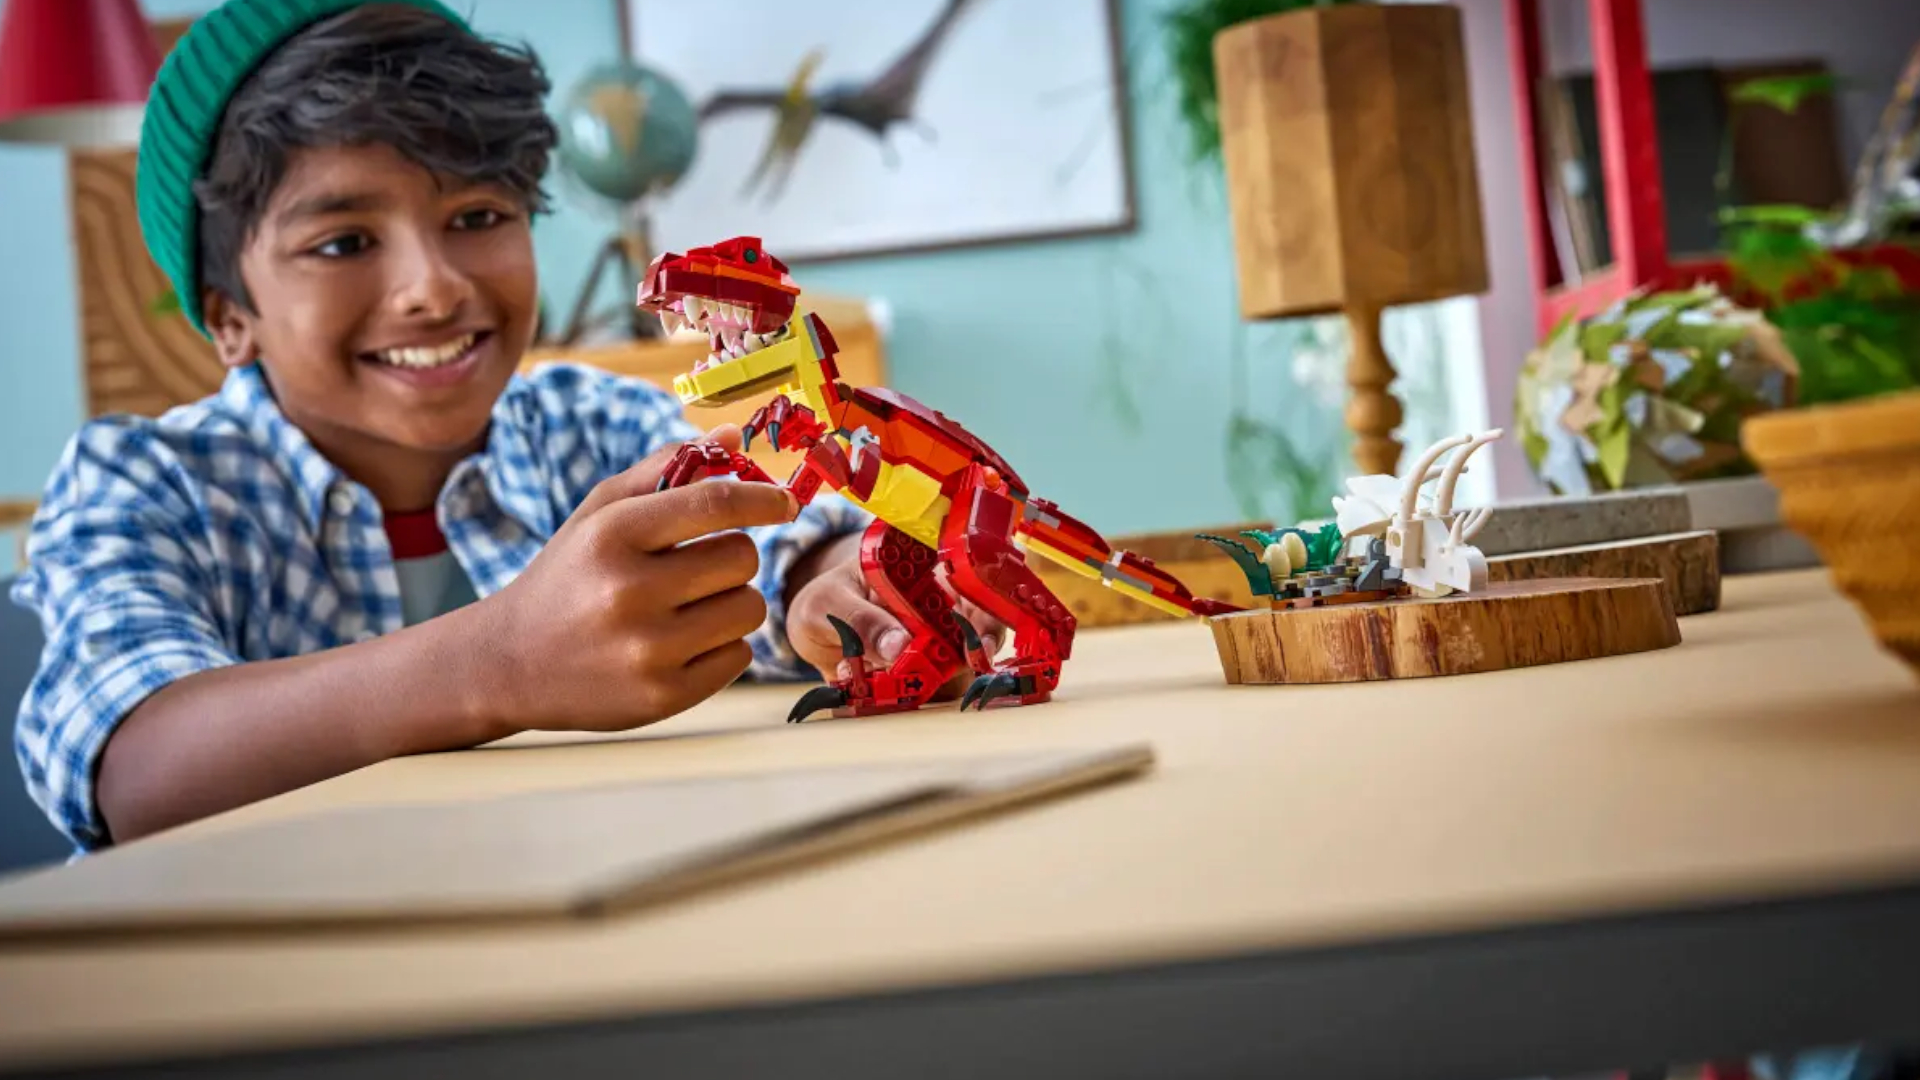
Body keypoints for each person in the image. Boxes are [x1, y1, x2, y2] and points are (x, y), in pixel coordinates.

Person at [9, 0, 999, 854]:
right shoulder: (145, 483)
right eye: (345, 241)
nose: (434, 289)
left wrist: (834, 582)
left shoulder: (591, 422)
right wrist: (499, 662)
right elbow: (135, 771)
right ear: (228, 311)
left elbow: (784, 537)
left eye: (479, 217)